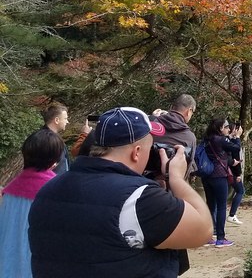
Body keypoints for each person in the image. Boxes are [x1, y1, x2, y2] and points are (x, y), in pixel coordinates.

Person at [28, 107, 213, 277]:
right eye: (152, 149)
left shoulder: (48, 189)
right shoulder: (140, 199)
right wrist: (176, 178)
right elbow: (203, 230)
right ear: (137, 152)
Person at [0, 129, 64, 278]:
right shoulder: (56, 189)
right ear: (54, 158)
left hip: (6, 262)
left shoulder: (11, 189)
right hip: (38, 265)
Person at [199, 118, 240, 247]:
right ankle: (221, 238)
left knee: (210, 205)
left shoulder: (206, 140)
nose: (228, 129)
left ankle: (208, 236)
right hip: (219, 175)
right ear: (220, 128)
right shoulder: (221, 140)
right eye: (227, 126)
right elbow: (236, 148)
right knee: (222, 206)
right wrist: (236, 137)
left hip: (206, 175)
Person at [152, 94, 198, 174]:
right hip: (172, 181)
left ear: (172, 107)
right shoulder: (189, 137)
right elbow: (187, 169)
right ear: (189, 111)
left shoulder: (152, 125)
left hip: (145, 179)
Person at [40, 104, 90, 175]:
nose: (67, 122)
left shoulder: (45, 137)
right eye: (65, 119)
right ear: (57, 120)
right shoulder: (48, 140)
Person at [226, 122, 245, 225]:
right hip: (231, 172)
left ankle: (232, 215)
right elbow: (236, 158)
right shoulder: (232, 142)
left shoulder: (227, 141)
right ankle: (232, 215)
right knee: (240, 191)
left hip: (226, 172)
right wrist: (238, 174)